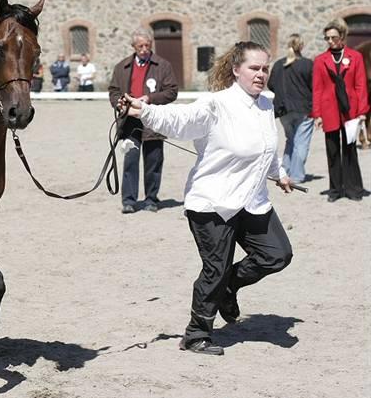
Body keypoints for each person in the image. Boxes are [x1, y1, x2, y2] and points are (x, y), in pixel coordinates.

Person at [119, 41, 294, 356]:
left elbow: (267, 145)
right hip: (212, 203)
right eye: (254, 68)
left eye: (265, 68)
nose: (261, 74)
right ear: (236, 70)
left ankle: (231, 285)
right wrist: (142, 110)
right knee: (215, 269)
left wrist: (279, 174)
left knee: (278, 255)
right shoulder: (216, 104)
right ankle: (196, 334)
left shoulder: (266, 103)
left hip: (252, 200)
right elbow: (179, 120)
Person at [108, 27, 178, 213]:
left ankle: (151, 199)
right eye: (140, 46)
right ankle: (129, 201)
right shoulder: (121, 67)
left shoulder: (163, 66)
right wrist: (121, 105)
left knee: (153, 161)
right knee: (130, 161)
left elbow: (172, 92)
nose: (144, 49)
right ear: (133, 47)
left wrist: (149, 99)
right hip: (130, 122)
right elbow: (113, 91)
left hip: (153, 120)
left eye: (147, 45)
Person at [311, 18, 369, 202]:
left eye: (333, 37)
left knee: (350, 150)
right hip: (329, 111)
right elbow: (317, 89)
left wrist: (362, 111)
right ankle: (335, 190)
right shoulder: (320, 60)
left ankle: (353, 189)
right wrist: (317, 114)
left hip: (350, 111)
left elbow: (361, 86)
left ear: (342, 36)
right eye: (327, 38)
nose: (330, 41)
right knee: (333, 151)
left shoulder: (355, 57)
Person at [267, 34, 314, 183]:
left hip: (283, 108)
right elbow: (315, 86)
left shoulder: (279, 64)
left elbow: (271, 84)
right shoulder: (307, 64)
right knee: (301, 142)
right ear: (302, 46)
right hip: (304, 108)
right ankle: (297, 175)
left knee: (290, 140)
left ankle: (285, 170)